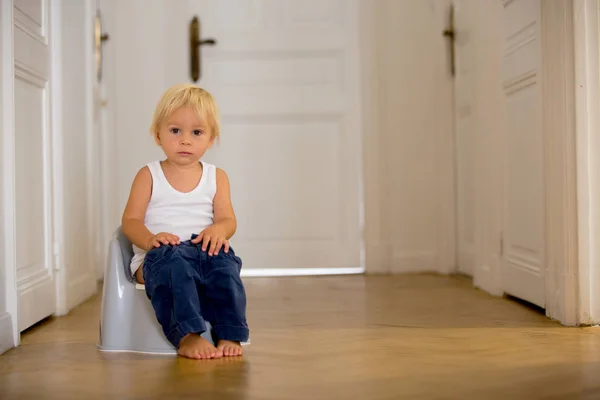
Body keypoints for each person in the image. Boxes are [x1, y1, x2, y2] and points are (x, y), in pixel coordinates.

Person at [121, 83, 249, 360]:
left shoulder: (217, 176)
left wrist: (219, 229)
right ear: (158, 135)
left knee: (226, 265)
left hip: (202, 250)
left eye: (197, 132)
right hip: (159, 256)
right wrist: (149, 240)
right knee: (174, 266)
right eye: (175, 130)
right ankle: (188, 335)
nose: (185, 140)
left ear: (211, 138)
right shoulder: (148, 175)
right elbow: (130, 220)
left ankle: (229, 331)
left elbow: (228, 219)